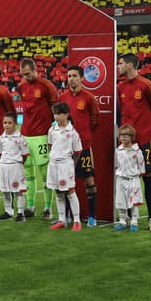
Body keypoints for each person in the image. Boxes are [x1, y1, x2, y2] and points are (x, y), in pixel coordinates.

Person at [117, 53, 151, 230]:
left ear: (130, 65)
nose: (118, 67)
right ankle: (129, 217)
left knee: (148, 178)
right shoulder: (120, 87)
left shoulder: (146, 86)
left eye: (120, 64)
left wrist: (148, 131)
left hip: (144, 140)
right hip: (126, 143)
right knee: (126, 179)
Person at [58, 66, 101, 224]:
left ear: (82, 78)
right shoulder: (62, 98)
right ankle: (68, 216)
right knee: (67, 182)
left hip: (84, 146)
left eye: (74, 76)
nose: (71, 79)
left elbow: (95, 120)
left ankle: (92, 217)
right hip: (66, 148)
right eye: (69, 76)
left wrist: (84, 135)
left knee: (89, 181)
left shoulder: (89, 98)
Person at [18, 58, 59, 221]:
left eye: (28, 74)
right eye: (23, 74)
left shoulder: (46, 85)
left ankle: (48, 208)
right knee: (28, 173)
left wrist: (54, 129)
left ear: (36, 70)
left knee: (45, 173)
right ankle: (30, 206)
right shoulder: (22, 86)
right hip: (25, 135)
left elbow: (55, 108)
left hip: (42, 135)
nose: (25, 77)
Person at [47, 101, 83, 231]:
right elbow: (50, 146)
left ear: (66, 114)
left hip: (66, 164)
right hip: (53, 164)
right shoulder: (52, 130)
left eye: (59, 114)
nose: (56, 116)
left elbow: (77, 152)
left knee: (70, 191)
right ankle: (62, 220)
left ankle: (77, 221)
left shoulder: (73, 132)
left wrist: (71, 165)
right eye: (55, 114)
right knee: (58, 192)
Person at [0, 112, 30, 221]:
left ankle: (20, 213)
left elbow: (25, 155)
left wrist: (17, 162)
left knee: (18, 191)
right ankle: (8, 211)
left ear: (15, 124)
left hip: (16, 166)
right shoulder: (1, 138)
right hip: (3, 166)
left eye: (9, 123)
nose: (6, 125)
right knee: (5, 190)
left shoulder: (20, 138)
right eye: (5, 123)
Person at [113, 125, 146, 232]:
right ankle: (122, 221)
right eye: (121, 135)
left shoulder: (137, 151)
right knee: (121, 200)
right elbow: (116, 165)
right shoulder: (118, 151)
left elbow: (141, 165)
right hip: (121, 179)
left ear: (132, 137)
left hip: (133, 179)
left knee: (134, 202)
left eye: (126, 135)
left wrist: (137, 176)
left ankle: (134, 222)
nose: (123, 137)